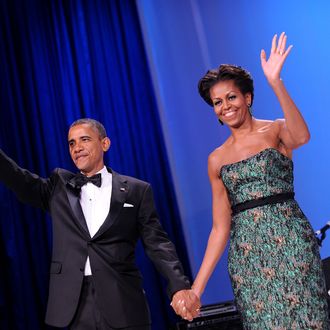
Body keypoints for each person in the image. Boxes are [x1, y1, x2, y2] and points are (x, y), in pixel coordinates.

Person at [0, 118, 200, 329]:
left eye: (84, 140)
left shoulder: (136, 190)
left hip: (122, 301)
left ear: (105, 143)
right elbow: (18, 179)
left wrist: (179, 286)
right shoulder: (58, 187)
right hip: (72, 306)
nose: (77, 148)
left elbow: (158, 244)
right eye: (71, 143)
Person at [191, 33, 330, 328]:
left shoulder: (276, 130)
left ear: (247, 98)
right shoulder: (216, 159)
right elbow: (219, 228)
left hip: (292, 244)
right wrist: (197, 289)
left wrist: (276, 82)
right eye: (217, 102)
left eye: (231, 97)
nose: (225, 106)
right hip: (248, 259)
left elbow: (302, 136)